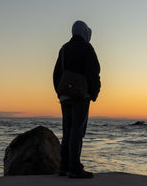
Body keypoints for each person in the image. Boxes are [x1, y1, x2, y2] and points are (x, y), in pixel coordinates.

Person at [53, 20, 101, 178]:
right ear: (84, 32)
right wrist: (93, 93)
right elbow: (94, 72)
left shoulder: (64, 48)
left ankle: (63, 167)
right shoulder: (87, 48)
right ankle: (74, 168)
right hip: (81, 96)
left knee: (67, 130)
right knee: (77, 131)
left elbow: (56, 74)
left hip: (65, 96)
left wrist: (60, 93)